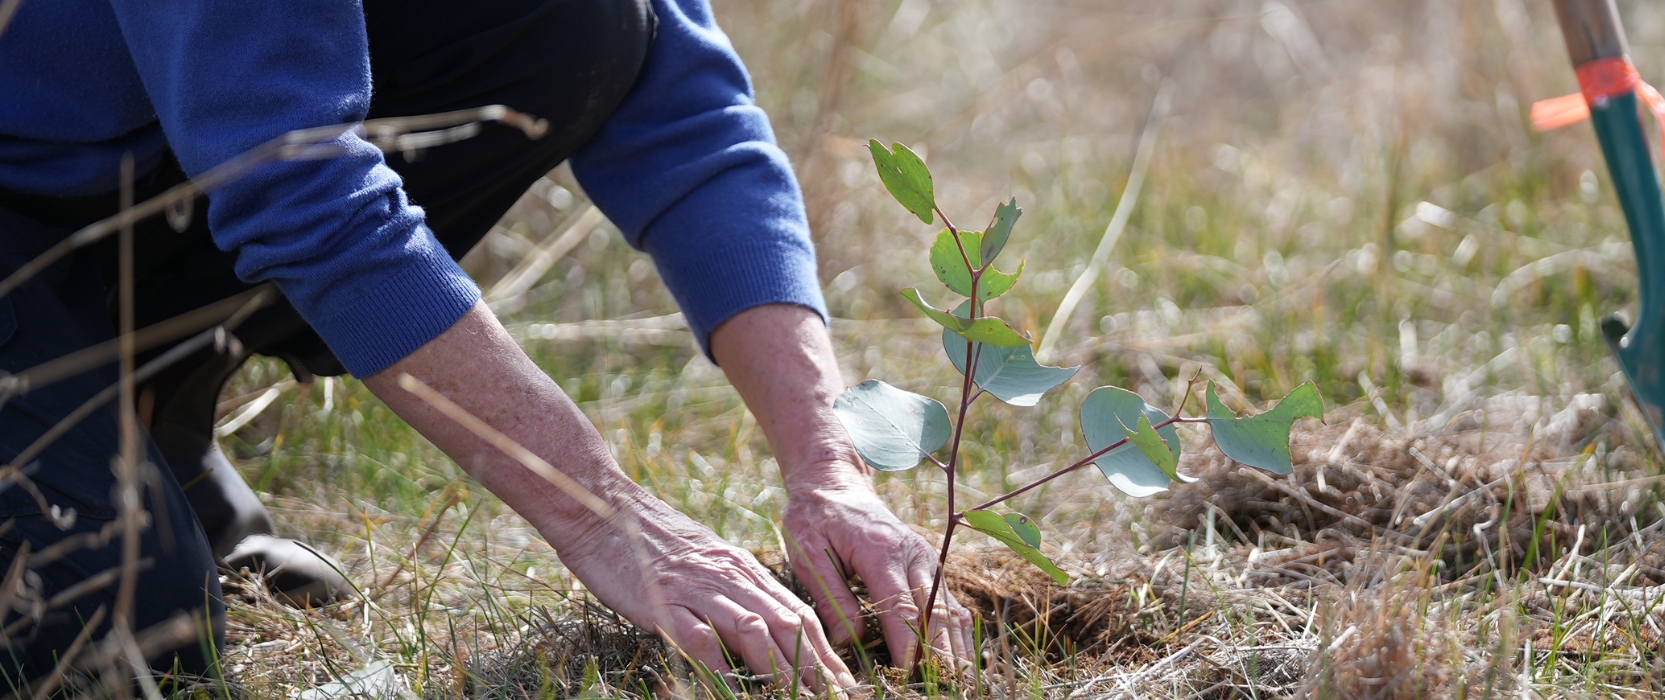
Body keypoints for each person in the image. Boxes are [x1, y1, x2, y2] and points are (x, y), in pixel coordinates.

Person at [0, 0, 972, 691]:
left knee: (587, 23)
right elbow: (295, 182)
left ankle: (140, 405)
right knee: (115, 640)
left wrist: (825, 462)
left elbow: (685, 106)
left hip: (112, 174)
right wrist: (610, 518)